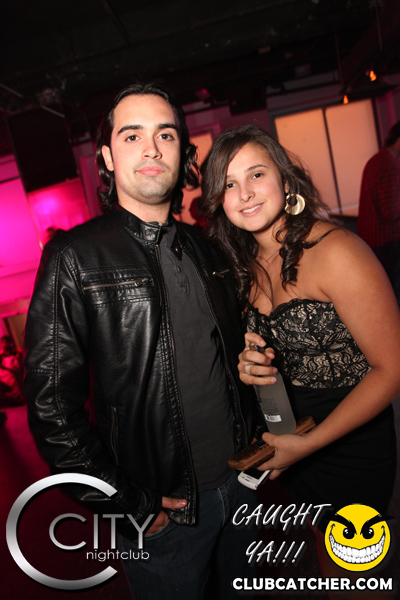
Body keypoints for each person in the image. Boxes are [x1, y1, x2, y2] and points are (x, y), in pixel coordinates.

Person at [24, 83, 259, 600]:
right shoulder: (73, 258)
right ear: (108, 157)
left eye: (165, 135)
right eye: (132, 136)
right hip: (163, 515)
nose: (151, 148)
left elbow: (232, 358)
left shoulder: (208, 246)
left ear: (182, 153)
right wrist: (127, 504)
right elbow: (51, 409)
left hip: (244, 487)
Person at [200, 124, 400, 577]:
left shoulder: (336, 251)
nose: (244, 194)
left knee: (361, 571)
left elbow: (391, 369)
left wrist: (307, 445)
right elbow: (276, 358)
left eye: (256, 174)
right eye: (229, 184)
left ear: (285, 179)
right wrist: (249, 365)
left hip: (350, 441)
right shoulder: (244, 266)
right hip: (292, 440)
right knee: (330, 564)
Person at [358, 121, 400, 304]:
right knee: (395, 295)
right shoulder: (389, 164)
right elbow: (391, 211)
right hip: (388, 243)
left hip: (376, 242)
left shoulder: (377, 160)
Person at [0, 335, 24, 404]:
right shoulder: (1, 355)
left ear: (10, 342)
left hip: (16, 378)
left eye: (6, 342)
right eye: (3, 343)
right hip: (5, 378)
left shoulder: (17, 352)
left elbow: (20, 366)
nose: (5, 344)